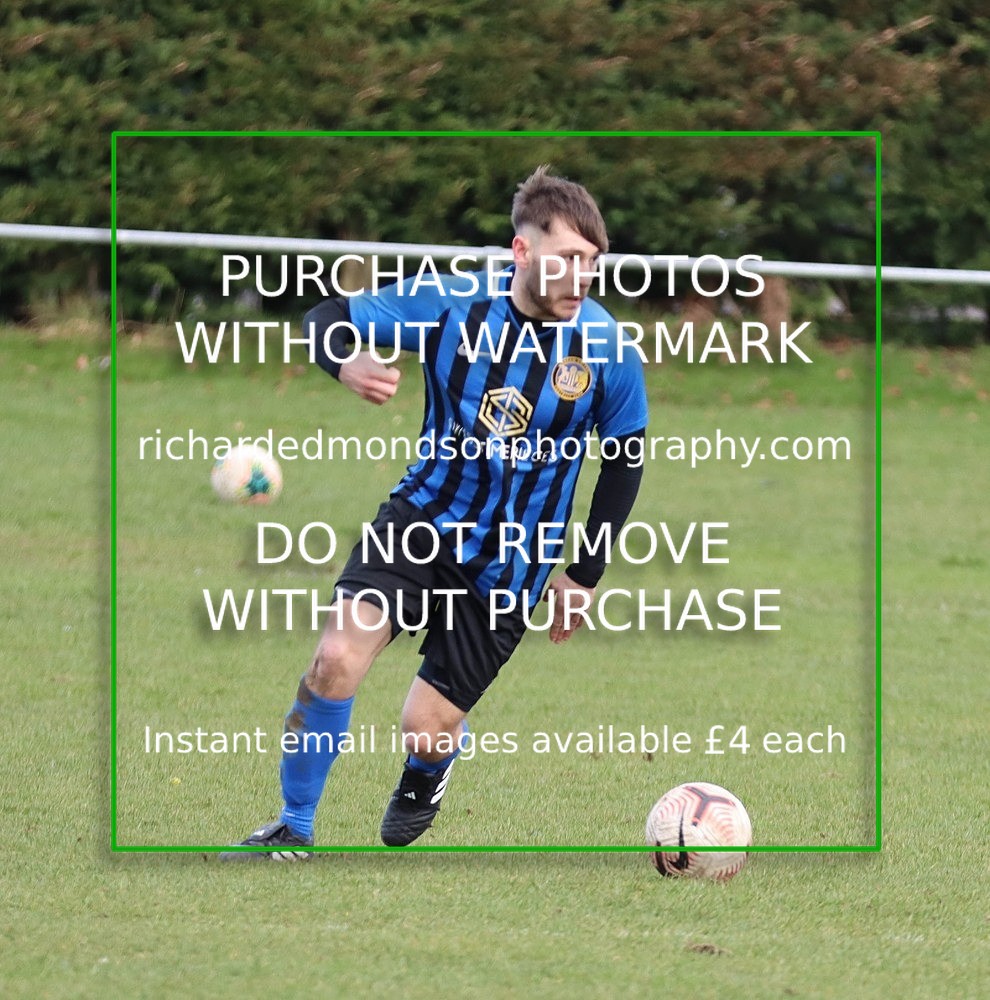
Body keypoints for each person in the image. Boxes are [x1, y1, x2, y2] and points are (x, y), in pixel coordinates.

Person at [222, 166, 647, 859]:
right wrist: (346, 363)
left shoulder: (606, 350)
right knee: (334, 657)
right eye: (568, 258)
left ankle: (428, 771)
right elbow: (325, 317)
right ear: (522, 251)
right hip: (421, 520)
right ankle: (292, 825)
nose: (582, 277)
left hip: (515, 559)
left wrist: (586, 573)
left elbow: (624, 460)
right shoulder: (452, 303)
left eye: (593, 264)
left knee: (424, 725)